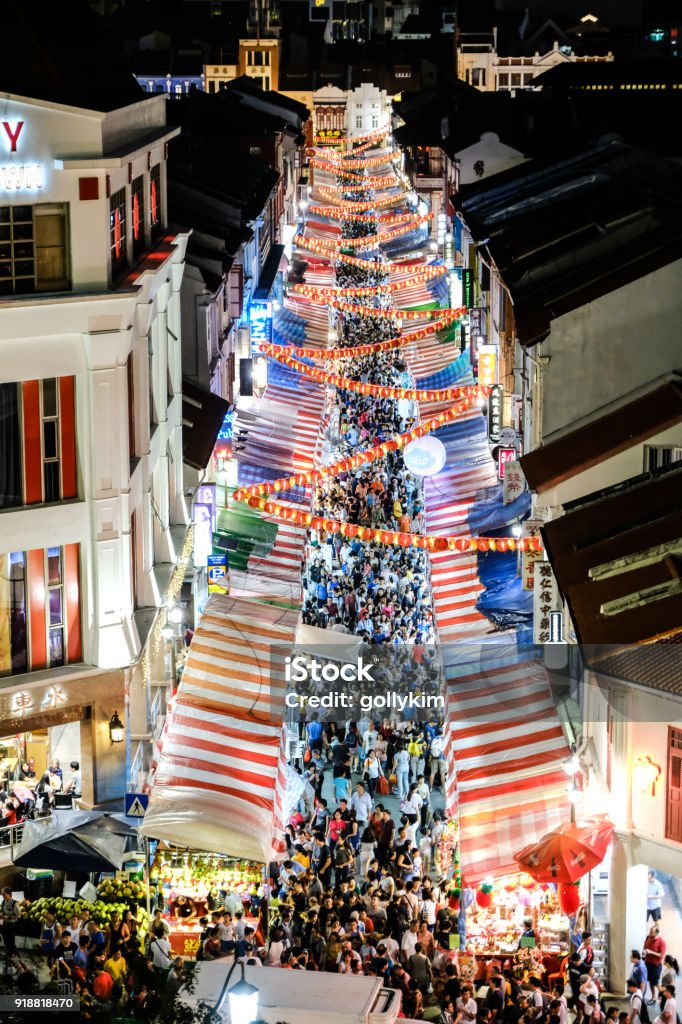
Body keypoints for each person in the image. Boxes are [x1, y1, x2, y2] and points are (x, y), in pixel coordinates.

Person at [644, 926, 667, 1004]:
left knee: (655, 982)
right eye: (650, 931)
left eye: (651, 932)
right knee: (650, 981)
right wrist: (644, 953)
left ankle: (663, 995)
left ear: (656, 933)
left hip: (656, 965)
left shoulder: (661, 942)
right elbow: (645, 947)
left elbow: (662, 955)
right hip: (648, 963)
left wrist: (651, 952)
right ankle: (653, 997)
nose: (650, 934)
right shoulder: (648, 938)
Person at [0, 887, 20, 958]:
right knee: (5, 940)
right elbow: (2, 912)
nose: (2, 895)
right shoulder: (3, 902)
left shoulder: (15, 903)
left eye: (4, 894)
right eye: (2, 894)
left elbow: (18, 915)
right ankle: (9, 953)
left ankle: (14, 954)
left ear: (9, 894)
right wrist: (1, 919)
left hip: (11, 924)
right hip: (4, 924)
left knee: (11, 941)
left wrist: (8, 917)